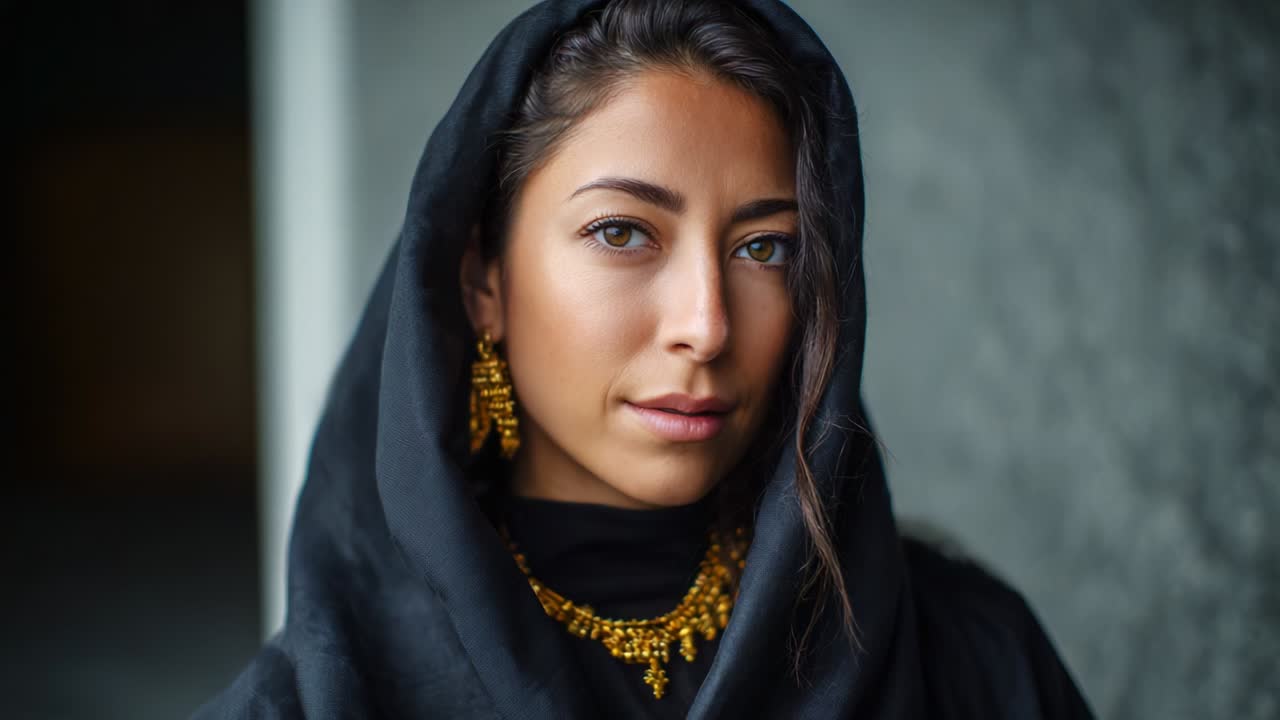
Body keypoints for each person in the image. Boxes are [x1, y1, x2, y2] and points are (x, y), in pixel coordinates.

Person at [196, 0, 1094, 717]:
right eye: (622, 232)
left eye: (765, 249)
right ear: (483, 282)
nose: (707, 326)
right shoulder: (326, 701)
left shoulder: (969, 657)